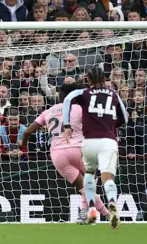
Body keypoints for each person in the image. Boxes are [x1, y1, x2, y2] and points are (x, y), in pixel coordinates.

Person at [20, 82, 110, 224]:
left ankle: (85, 216)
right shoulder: (79, 109)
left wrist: (22, 143)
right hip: (80, 150)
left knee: (84, 188)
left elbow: (27, 131)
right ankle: (108, 215)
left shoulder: (48, 111)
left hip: (58, 155)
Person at [63, 67, 128, 228]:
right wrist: (112, 126)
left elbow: (67, 98)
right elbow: (125, 117)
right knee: (108, 178)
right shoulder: (113, 94)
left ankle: (92, 210)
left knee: (89, 175)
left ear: (88, 80)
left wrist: (67, 125)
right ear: (105, 78)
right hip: (109, 141)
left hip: (90, 141)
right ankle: (112, 205)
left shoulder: (84, 93)